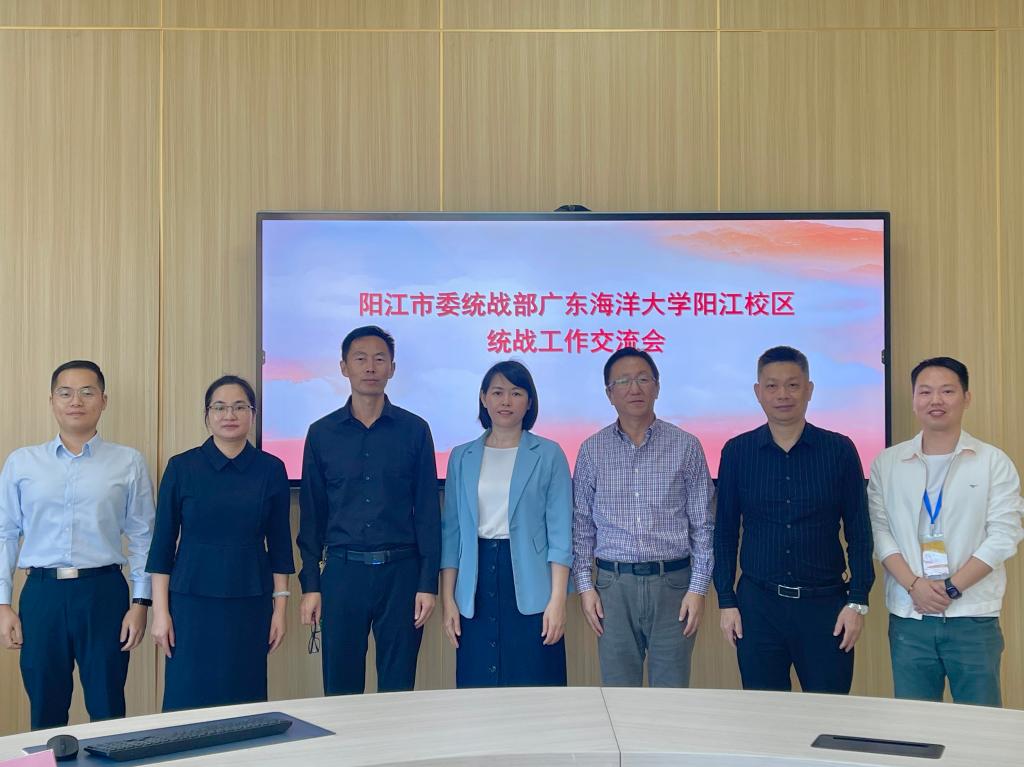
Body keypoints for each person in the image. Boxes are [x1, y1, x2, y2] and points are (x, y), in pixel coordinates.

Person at [0, 360, 155, 730]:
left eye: (87, 392)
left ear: (103, 400)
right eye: (65, 393)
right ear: (52, 401)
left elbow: (143, 536)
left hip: (103, 593)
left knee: (107, 707)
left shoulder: (128, 461)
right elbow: (5, 534)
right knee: (46, 708)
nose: (76, 401)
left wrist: (141, 603)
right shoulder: (22, 462)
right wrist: (3, 605)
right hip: (42, 594)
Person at [713, 346, 874, 695]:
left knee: (829, 712)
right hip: (759, 607)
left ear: (809, 390)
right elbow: (725, 532)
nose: (782, 395)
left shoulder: (839, 450)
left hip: (826, 607)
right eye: (772, 386)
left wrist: (857, 601)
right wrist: (726, 600)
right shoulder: (737, 452)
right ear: (758, 392)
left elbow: (860, 532)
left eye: (792, 385)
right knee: (764, 713)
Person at [868, 356, 1023, 706]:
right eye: (925, 392)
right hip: (910, 614)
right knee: (914, 723)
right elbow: (880, 531)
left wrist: (951, 587)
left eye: (947, 391)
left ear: (966, 397)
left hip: (973, 614)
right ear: (913, 400)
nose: (935, 400)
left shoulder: (992, 461)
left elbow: (1004, 535)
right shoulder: (888, 463)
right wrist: (914, 585)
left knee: (979, 721)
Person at [297, 326, 440, 695]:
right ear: (344, 367)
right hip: (343, 572)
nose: (370, 367)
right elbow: (312, 517)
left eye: (380, 359)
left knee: (398, 686)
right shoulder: (321, 433)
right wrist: (311, 584)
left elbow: (427, 513)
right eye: (360, 358)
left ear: (392, 368)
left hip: (401, 573)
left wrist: (427, 584)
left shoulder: (414, 430)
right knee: (340, 688)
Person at [146, 375, 294, 711]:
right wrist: (160, 613)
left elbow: (280, 547)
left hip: (249, 601)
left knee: (244, 700)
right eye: (220, 407)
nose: (230, 415)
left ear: (253, 415)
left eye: (240, 407)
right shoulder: (182, 467)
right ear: (207, 415)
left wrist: (280, 611)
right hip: (190, 603)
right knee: (187, 697)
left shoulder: (271, 469)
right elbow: (162, 546)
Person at [571, 348, 714, 687]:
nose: (634, 389)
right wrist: (585, 587)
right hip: (612, 587)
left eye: (642, 379)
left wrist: (698, 589)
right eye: (623, 381)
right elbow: (581, 526)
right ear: (609, 393)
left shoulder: (686, 445)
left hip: (674, 585)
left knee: (671, 693)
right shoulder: (591, 450)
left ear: (657, 387)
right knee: (619, 695)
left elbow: (703, 525)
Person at [440, 360, 573, 687]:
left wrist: (557, 600)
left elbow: (560, 534)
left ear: (529, 402)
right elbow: (452, 534)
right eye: (497, 392)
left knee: (535, 680)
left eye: (516, 393)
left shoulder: (549, 454)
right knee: (478, 684)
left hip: (532, 579)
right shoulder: (462, 456)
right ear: (483, 398)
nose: (506, 401)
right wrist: (448, 600)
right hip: (475, 580)